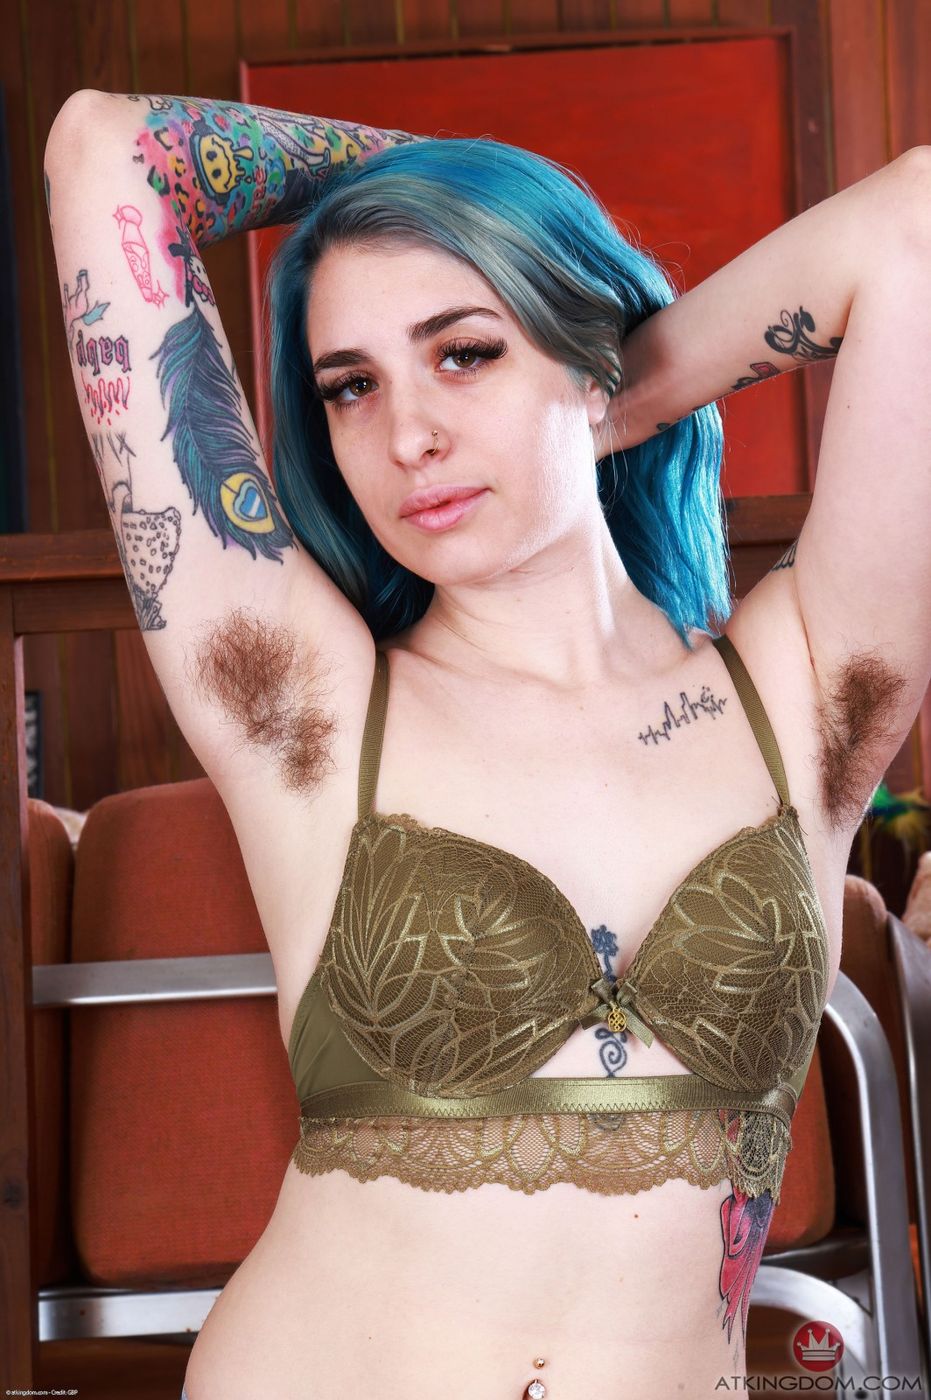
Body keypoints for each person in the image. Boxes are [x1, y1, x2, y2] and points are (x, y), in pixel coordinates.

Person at [44, 88, 931, 1400]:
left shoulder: (800, 704)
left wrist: (622, 370)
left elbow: (917, 228)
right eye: (352, 388)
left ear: (583, 353)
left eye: (464, 352)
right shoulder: (308, 711)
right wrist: (446, 176)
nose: (408, 436)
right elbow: (101, 148)